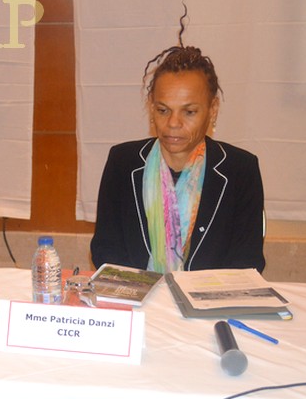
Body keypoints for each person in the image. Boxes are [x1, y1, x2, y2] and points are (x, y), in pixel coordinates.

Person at [90, 15, 265, 274]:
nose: (173, 123)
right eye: (163, 110)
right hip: (139, 305)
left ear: (212, 109)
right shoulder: (122, 162)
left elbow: (247, 261)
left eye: (189, 112)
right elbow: (105, 249)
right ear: (151, 107)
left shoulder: (240, 169)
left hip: (208, 310)